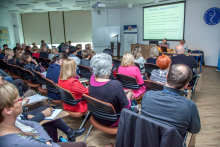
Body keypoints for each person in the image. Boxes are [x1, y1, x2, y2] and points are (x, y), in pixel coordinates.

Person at [0, 83, 91, 147]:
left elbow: (34, 124)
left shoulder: (11, 123)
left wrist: (47, 142)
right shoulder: (19, 142)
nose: (22, 100)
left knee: (81, 144)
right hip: (46, 143)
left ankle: (70, 132)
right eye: (19, 99)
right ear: (8, 110)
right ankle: (70, 132)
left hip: (45, 142)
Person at [141, 64, 201, 136]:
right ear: (186, 85)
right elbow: (195, 130)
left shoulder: (147, 95)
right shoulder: (190, 106)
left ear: (166, 76)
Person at [89, 53, 134, 126]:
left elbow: (105, 91)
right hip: (112, 120)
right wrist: (128, 96)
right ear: (109, 68)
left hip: (97, 116)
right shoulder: (115, 85)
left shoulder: (92, 78)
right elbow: (126, 107)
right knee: (133, 102)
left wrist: (122, 92)